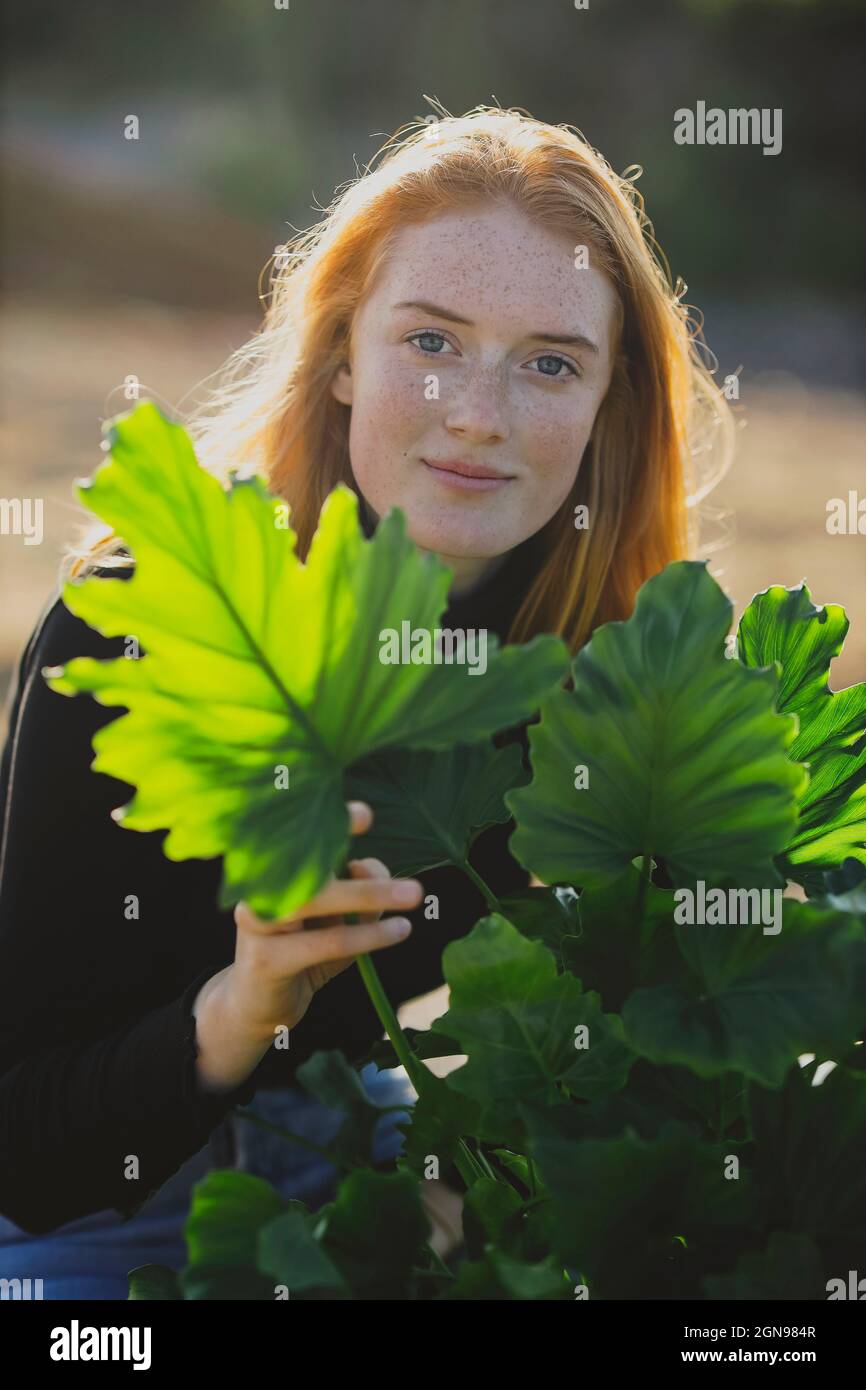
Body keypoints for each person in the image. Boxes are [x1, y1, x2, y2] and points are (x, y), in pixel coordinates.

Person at [0, 104, 733, 1299]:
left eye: (549, 362)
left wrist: (484, 1164)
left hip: (373, 1151)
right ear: (342, 354)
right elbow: (21, 1146)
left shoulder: (605, 671)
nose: (479, 412)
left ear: (611, 403)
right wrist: (238, 1010)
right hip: (100, 1203)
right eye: (431, 342)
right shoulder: (151, 626)